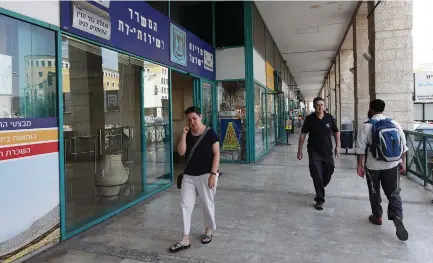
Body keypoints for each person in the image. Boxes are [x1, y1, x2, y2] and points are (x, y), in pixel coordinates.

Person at [356, 99, 409, 241]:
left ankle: (377, 216)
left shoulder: (366, 126)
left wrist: (360, 165)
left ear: (370, 109)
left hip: (373, 166)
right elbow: (404, 147)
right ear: (383, 109)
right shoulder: (394, 123)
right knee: (394, 193)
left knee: (374, 192)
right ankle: (397, 215)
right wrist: (401, 162)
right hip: (392, 165)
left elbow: (361, 149)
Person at [169, 106, 220, 253]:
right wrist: (184, 134)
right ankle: (185, 238)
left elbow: (217, 154)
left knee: (206, 204)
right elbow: (181, 152)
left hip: (206, 174)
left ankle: (208, 230)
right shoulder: (188, 133)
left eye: (194, 118)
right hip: (189, 176)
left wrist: (213, 173)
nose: (192, 122)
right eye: (189, 119)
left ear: (201, 117)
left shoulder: (210, 133)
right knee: (185, 205)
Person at [297, 97, 340, 210]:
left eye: (322, 104)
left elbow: (336, 132)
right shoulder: (309, 119)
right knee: (316, 173)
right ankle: (320, 199)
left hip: (327, 152)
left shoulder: (329, 118)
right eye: (317, 105)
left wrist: (338, 146)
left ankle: (320, 185)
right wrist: (299, 150)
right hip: (314, 151)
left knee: (329, 170)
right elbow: (303, 134)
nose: (320, 107)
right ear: (314, 106)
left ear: (324, 106)